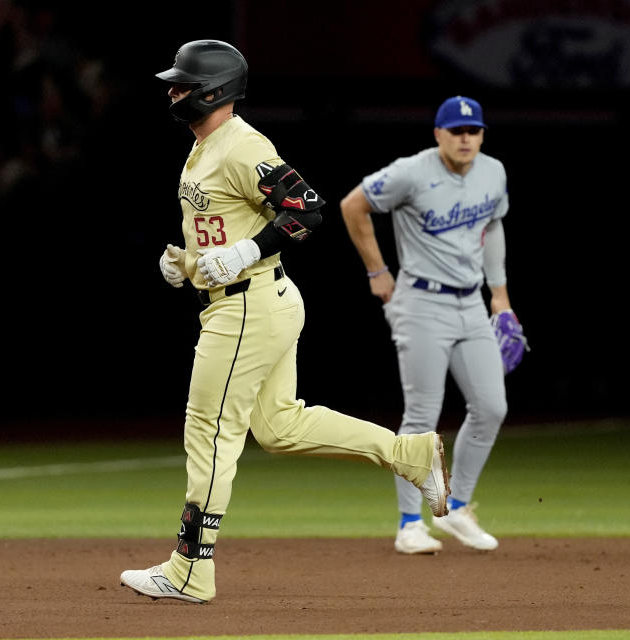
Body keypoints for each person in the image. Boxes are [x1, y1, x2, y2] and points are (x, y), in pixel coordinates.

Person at [119, 39, 449, 604]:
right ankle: (407, 454)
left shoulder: (242, 145)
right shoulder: (204, 146)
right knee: (279, 427)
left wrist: (245, 254)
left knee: (210, 429)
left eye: (183, 84)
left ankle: (190, 569)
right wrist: (190, 262)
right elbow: (223, 224)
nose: (173, 92)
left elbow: (307, 207)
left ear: (215, 90)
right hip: (252, 301)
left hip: (246, 305)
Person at [340, 96, 526, 554]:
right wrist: (377, 272)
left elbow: (494, 228)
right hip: (420, 301)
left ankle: (456, 506)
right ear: (438, 134)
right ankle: (409, 524)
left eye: (474, 131)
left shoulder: (493, 171)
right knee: (422, 416)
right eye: (457, 131)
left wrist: (499, 296)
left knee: (491, 406)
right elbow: (352, 205)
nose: (466, 138)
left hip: (470, 305)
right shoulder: (411, 172)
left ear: (481, 135)